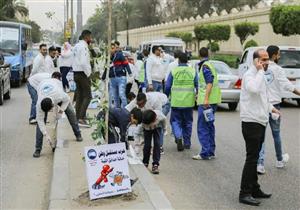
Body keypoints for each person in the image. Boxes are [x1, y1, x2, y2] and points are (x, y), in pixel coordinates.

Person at [239, 49, 280, 206]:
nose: (266, 62)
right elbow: (254, 89)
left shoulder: (259, 76)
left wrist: (271, 108)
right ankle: (244, 193)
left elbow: (262, 96)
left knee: (254, 158)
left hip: (260, 121)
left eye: (267, 59)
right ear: (255, 61)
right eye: (263, 59)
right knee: (251, 159)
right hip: (251, 122)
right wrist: (261, 71)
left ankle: (255, 188)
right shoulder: (250, 75)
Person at [257, 45, 300, 174]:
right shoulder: (278, 69)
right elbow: (287, 85)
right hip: (275, 106)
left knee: (261, 135)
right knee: (276, 134)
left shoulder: (260, 68)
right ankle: (279, 160)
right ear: (274, 55)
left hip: (263, 105)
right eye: (279, 54)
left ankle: (260, 164)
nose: (280, 56)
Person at [33, 77, 82, 158]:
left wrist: (60, 111)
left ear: (53, 104)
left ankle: (78, 133)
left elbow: (67, 100)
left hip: (55, 85)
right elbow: (40, 120)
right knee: (41, 122)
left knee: (70, 112)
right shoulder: (39, 105)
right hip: (42, 85)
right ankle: (38, 149)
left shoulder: (59, 95)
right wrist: (46, 135)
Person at [165, 52, 198, 151]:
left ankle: (178, 136)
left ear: (178, 60)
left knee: (175, 121)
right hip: (188, 102)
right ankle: (187, 143)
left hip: (176, 102)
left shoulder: (173, 71)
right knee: (188, 122)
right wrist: (197, 95)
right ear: (187, 61)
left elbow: (167, 86)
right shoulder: (192, 71)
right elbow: (198, 85)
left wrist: (166, 96)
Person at [193, 47, 221, 160]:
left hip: (206, 103)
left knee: (203, 127)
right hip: (212, 101)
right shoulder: (209, 64)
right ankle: (210, 151)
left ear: (199, 55)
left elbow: (209, 82)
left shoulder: (204, 66)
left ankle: (205, 152)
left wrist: (205, 99)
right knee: (209, 125)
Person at [72, 30, 92, 127]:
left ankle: (77, 117)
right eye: (90, 37)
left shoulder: (76, 46)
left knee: (80, 95)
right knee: (88, 96)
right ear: (86, 37)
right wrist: (88, 73)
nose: (90, 39)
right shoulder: (83, 47)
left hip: (76, 73)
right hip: (82, 73)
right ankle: (81, 118)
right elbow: (84, 62)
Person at [142, 110, 166, 174]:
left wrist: (164, 129)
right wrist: (138, 142)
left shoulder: (160, 116)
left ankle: (155, 164)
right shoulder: (144, 120)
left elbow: (164, 121)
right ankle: (145, 162)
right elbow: (138, 132)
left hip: (157, 127)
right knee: (147, 145)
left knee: (157, 144)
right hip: (146, 129)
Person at [109, 43, 132, 108]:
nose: (112, 50)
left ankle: (124, 109)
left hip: (121, 77)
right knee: (115, 96)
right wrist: (103, 77)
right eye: (111, 48)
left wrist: (129, 72)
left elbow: (126, 63)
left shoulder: (119, 55)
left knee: (121, 94)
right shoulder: (108, 57)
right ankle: (117, 110)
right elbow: (106, 68)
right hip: (112, 78)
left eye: (113, 48)